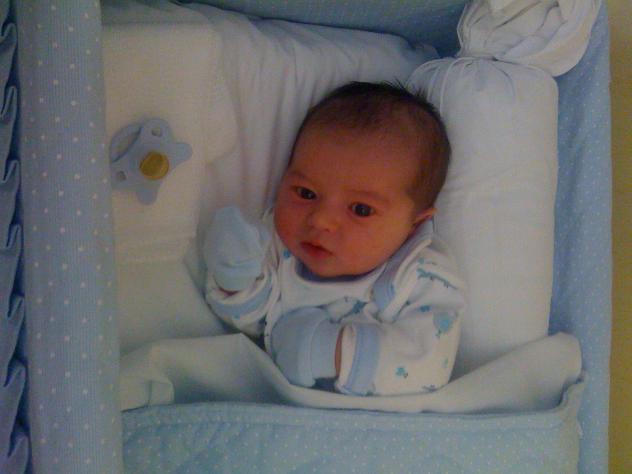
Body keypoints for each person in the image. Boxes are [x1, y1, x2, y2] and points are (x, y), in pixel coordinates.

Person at [204, 82, 465, 396]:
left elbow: (430, 362)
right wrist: (235, 276)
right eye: (306, 193)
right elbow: (252, 322)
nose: (320, 220)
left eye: (361, 209)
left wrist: (331, 352)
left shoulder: (420, 277)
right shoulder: (279, 242)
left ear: (414, 224)